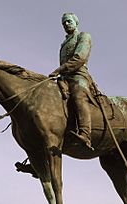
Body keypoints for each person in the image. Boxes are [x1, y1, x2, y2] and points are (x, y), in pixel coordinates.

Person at [49, 13, 94, 150]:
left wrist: (59, 69)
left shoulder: (83, 36)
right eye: (64, 23)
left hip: (78, 75)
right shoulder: (63, 43)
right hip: (65, 78)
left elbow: (79, 58)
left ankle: (85, 134)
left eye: (68, 21)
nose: (66, 25)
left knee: (78, 95)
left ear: (76, 22)